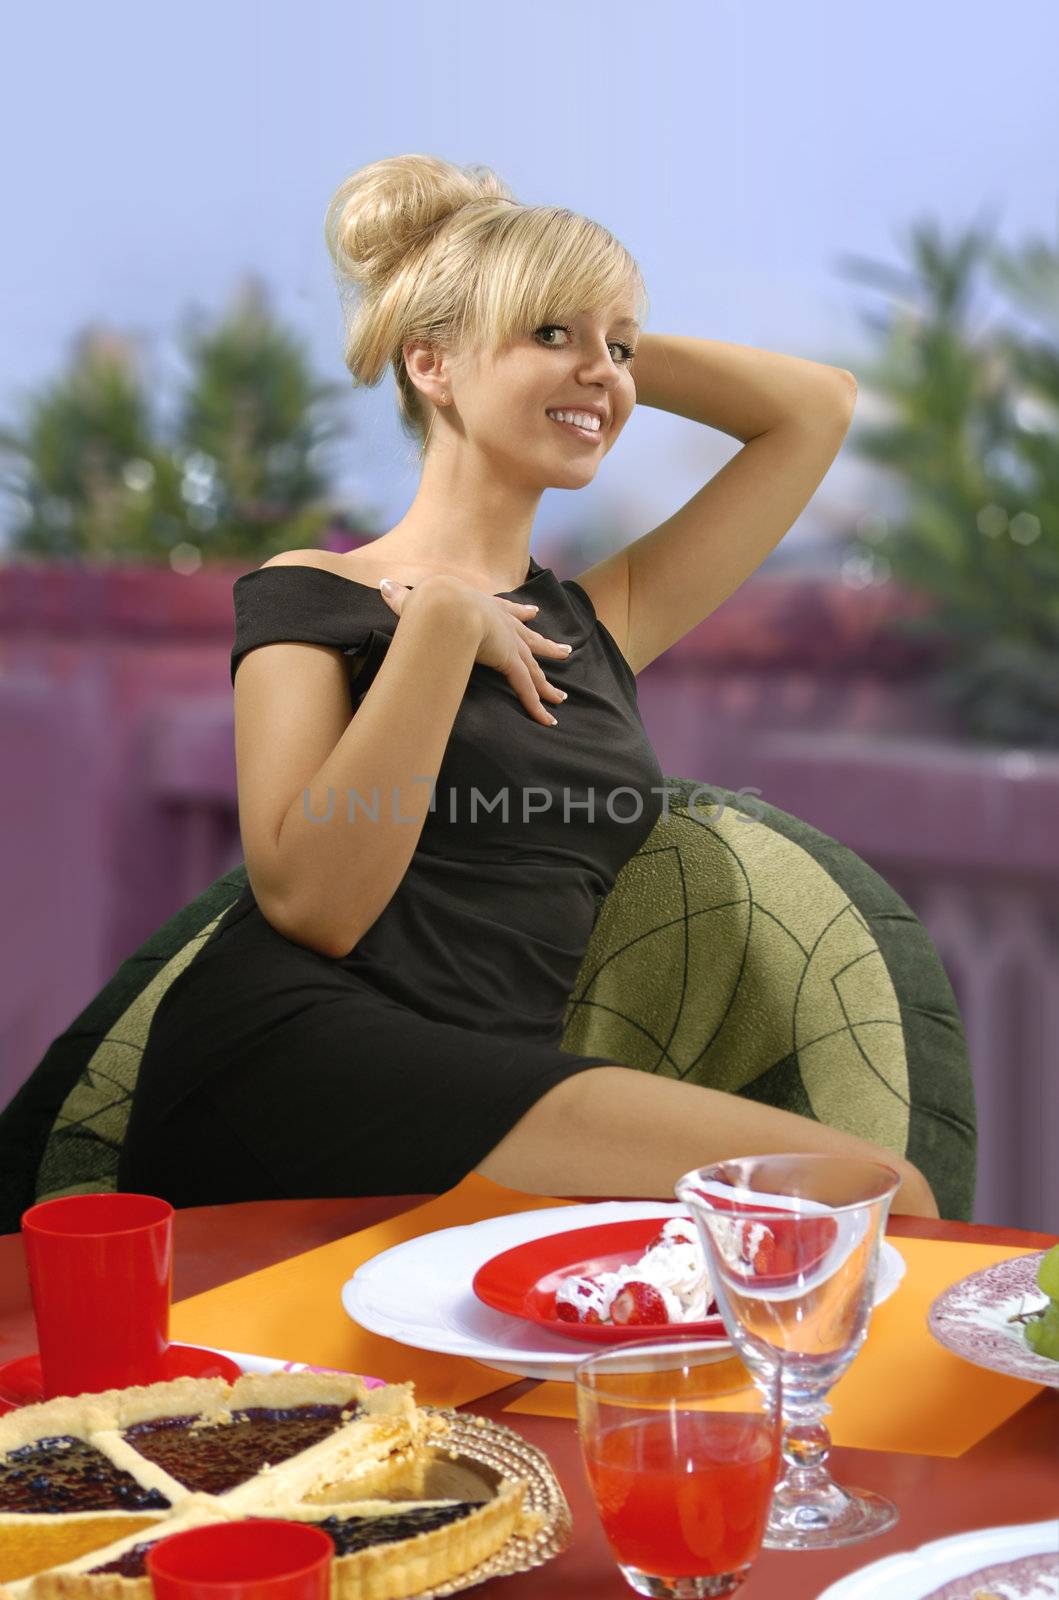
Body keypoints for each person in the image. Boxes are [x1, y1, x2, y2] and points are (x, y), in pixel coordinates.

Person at [118, 153, 939, 1218]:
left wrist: (582, 337)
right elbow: (313, 902)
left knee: (877, 1203)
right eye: (550, 333)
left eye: (622, 347)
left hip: (480, 1075)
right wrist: (447, 627)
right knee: (872, 1197)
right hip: (285, 1062)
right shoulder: (306, 595)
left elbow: (815, 408)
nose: (603, 373)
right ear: (432, 364)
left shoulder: (600, 623)